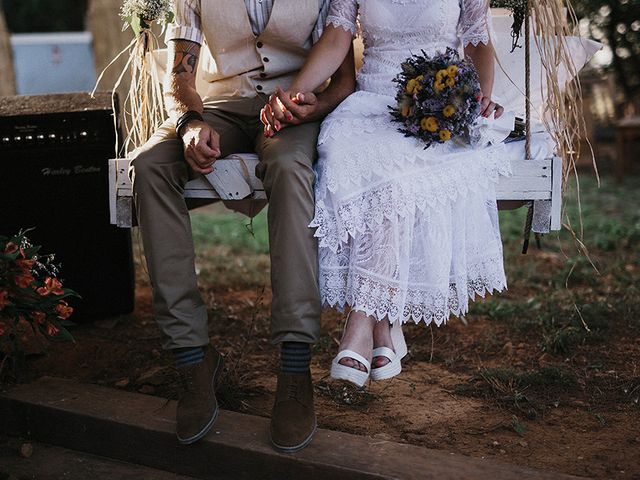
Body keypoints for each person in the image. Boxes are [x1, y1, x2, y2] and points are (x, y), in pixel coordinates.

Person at [129, 0, 355, 452]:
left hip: (294, 108)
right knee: (151, 166)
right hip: (219, 107)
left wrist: (316, 106)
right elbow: (180, 77)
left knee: (291, 168)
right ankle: (191, 358)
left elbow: (344, 80)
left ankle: (294, 367)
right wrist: (190, 122)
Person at [261, 0, 507, 387]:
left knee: (396, 176)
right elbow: (337, 37)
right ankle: (383, 328)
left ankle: (361, 323)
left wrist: (475, 97)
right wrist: (296, 91)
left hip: (437, 108)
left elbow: (477, 43)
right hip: (370, 102)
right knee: (346, 156)